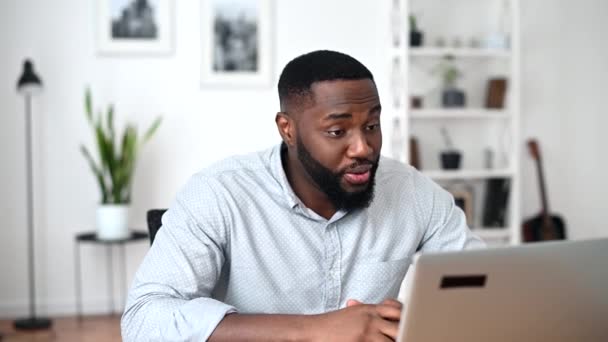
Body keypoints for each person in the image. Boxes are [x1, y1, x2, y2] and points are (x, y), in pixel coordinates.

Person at [121, 50, 484, 341]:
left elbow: (483, 286)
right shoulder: (218, 194)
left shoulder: (412, 192)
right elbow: (143, 322)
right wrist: (313, 330)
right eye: (338, 130)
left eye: (371, 126)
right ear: (288, 129)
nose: (363, 147)